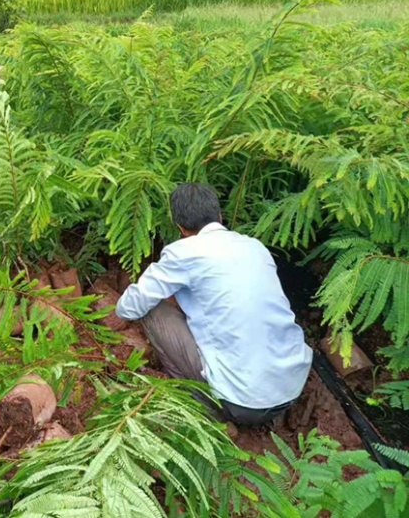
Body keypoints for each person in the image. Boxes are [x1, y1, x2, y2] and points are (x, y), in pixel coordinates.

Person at [115, 183, 312, 427]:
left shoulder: (183, 253)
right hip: (290, 388)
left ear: (180, 228)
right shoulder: (254, 247)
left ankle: (202, 404)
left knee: (152, 310)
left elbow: (129, 307)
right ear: (219, 216)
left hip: (241, 403)